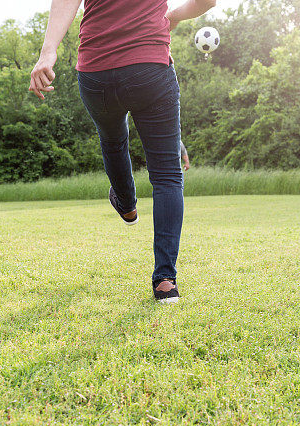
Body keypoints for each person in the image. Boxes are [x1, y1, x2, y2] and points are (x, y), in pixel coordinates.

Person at [29, 0, 217, 303]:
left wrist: (48, 51)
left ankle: (127, 205)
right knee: (168, 176)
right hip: (150, 67)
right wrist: (170, 16)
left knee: (113, 139)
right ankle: (165, 281)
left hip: (96, 72)